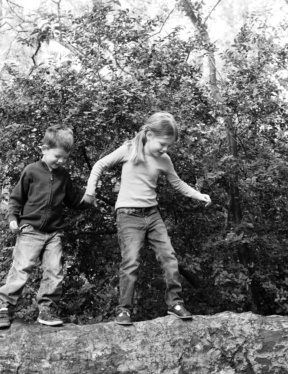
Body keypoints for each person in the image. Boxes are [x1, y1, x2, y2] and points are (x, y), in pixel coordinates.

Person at [82, 112, 211, 325]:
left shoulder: (164, 160)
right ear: (149, 134)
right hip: (128, 215)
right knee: (131, 261)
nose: (165, 149)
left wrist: (197, 195)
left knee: (169, 256)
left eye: (168, 146)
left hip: (152, 215)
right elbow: (99, 165)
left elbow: (177, 183)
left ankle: (175, 302)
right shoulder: (129, 150)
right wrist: (90, 191)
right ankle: (124, 309)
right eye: (162, 143)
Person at [0, 125, 87, 329]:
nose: (61, 161)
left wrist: (87, 199)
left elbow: (72, 200)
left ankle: (47, 308)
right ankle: (4, 307)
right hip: (30, 230)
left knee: (54, 270)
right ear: (44, 149)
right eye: (57, 156)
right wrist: (13, 217)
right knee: (22, 267)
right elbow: (17, 197)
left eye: (65, 158)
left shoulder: (63, 175)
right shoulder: (31, 171)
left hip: (53, 233)